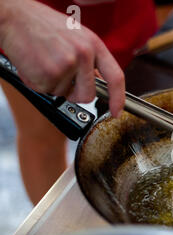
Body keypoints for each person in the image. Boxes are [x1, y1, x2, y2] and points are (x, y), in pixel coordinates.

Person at [0, 0, 157, 204]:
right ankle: (60, 232)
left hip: (128, 12)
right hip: (33, 23)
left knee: (144, 127)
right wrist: (9, 16)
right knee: (41, 138)